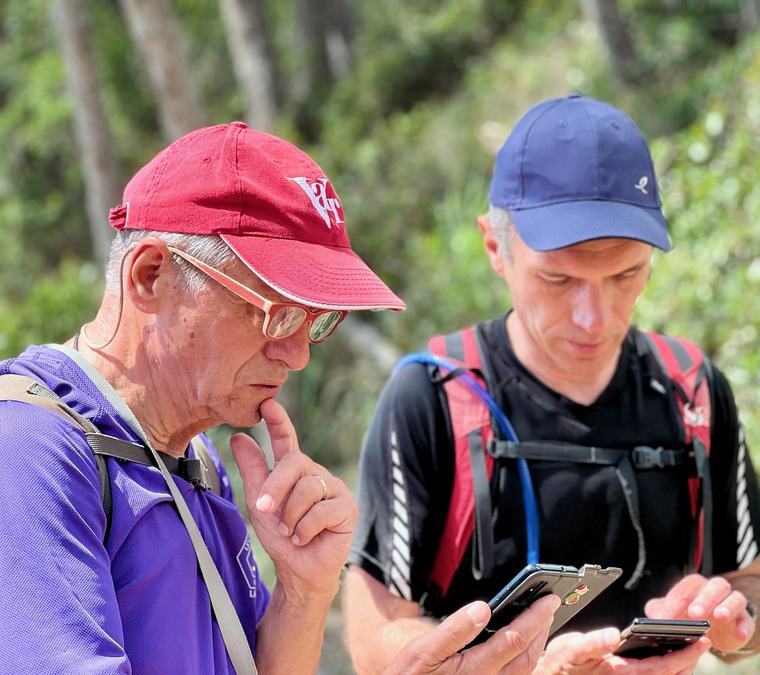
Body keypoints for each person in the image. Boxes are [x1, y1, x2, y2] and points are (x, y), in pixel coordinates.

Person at [0, 122, 559, 674]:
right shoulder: (29, 451)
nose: (298, 355)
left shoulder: (197, 462)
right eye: (278, 313)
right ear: (150, 275)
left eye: (317, 321)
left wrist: (303, 589)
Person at [344, 94, 760, 673]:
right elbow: (374, 635)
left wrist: (734, 619)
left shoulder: (693, 391)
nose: (593, 317)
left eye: (626, 275)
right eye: (558, 279)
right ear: (496, 248)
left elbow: (750, 583)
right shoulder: (433, 398)